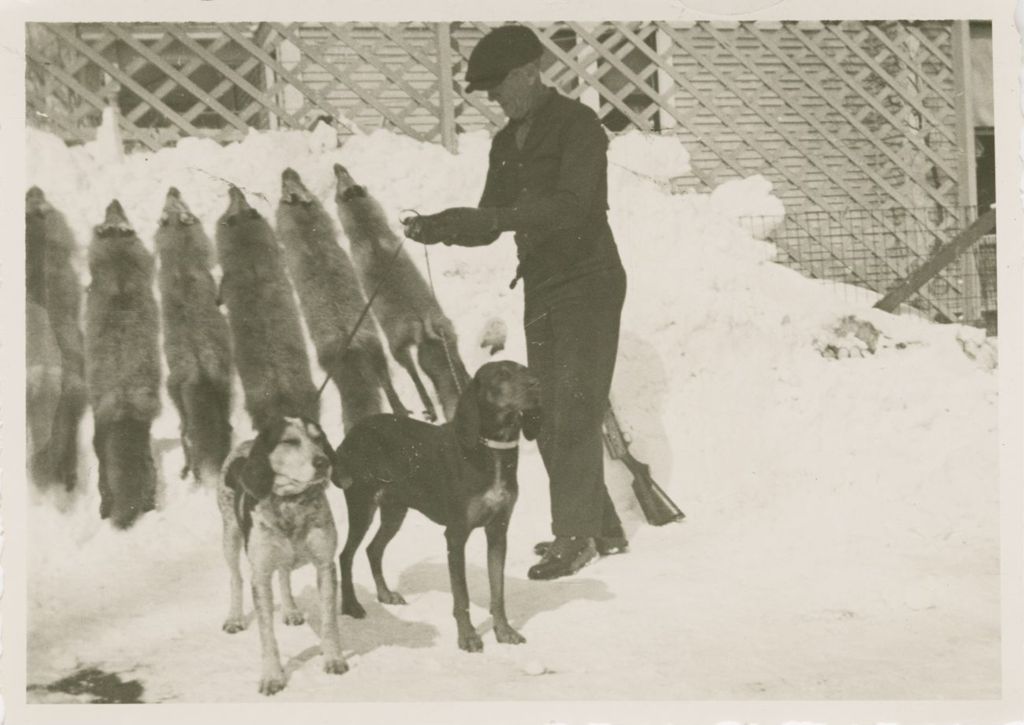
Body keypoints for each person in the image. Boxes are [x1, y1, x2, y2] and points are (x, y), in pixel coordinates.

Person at [403, 24, 628, 580]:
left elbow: (574, 207)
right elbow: (489, 220)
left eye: (499, 87)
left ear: (529, 74)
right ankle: (603, 526)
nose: (494, 100)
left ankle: (574, 536)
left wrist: (495, 219)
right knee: (543, 406)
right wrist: (444, 226)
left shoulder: (578, 126)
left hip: (590, 280)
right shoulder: (506, 143)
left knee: (572, 406)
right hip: (544, 284)